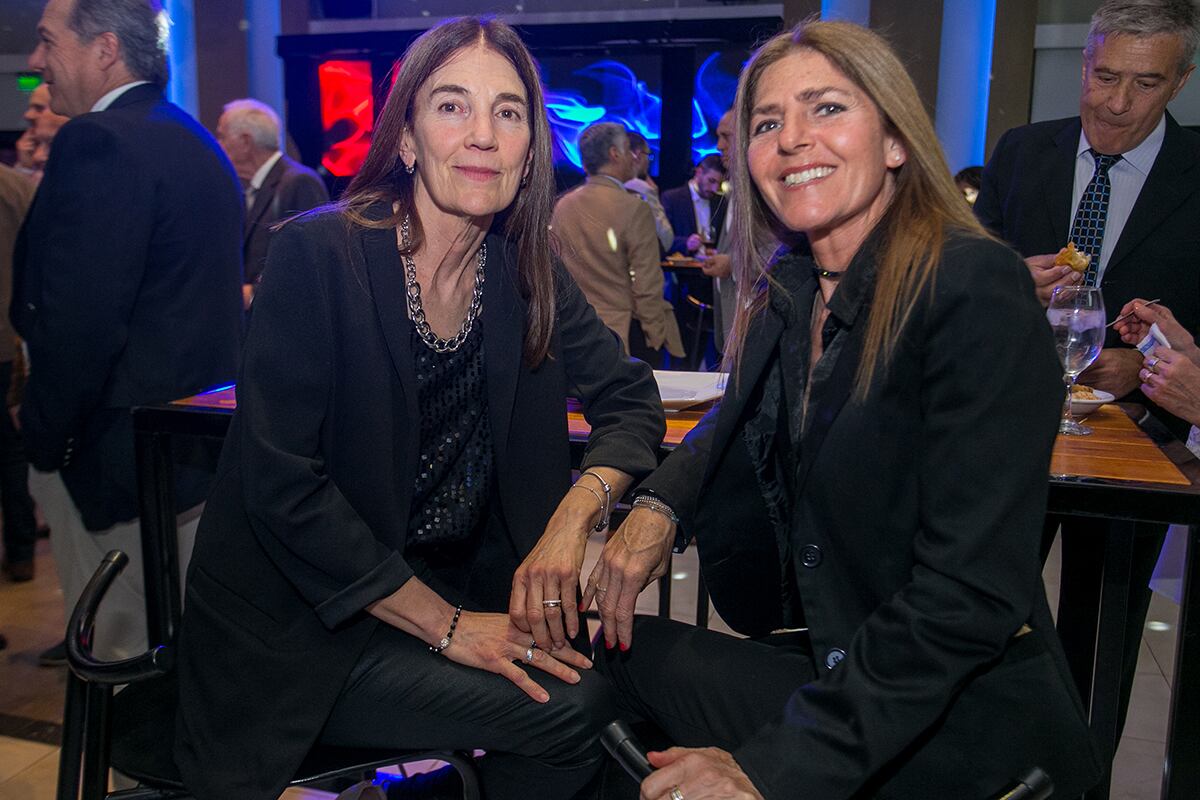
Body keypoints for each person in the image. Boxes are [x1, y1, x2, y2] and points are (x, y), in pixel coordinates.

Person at [588, 20, 1101, 799]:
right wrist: (657, 506)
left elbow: (968, 596)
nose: (793, 139)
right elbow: (738, 419)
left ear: (895, 141)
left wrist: (769, 769)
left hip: (959, 722)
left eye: (826, 109)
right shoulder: (794, 294)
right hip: (840, 663)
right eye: (767, 123)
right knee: (606, 657)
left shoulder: (970, 289)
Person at [175, 17, 665, 800]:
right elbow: (284, 486)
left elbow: (632, 401)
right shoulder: (319, 255)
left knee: (632, 689)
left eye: (508, 113)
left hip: (451, 592)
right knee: (575, 710)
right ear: (405, 140)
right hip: (310, 628)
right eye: (451, 106)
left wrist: (576, 516)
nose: (481, 135)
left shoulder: (526, 268)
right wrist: (448, 627)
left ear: (531, 148)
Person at [974, 0, 1200, 740]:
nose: (1115, 102)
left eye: (1143, 84)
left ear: (1180, 81)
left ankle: (1080, 772)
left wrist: (1153, 362)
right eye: (1104, 76)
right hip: (1014, 429)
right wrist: (1010, 279)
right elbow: (969, 274)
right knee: (987, 613)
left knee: (1097, 643)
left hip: (1140, 445)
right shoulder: (1021, 151)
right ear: (1085, 63)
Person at [14, 0, 243, 663]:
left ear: (105, 48)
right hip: (189, 453)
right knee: (184, 661)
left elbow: (79, 323)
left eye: (46, 41)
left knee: (117, 664)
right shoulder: (192, 137)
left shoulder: (99, 140)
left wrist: (45, 440)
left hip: (113, 458)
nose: (35, 63)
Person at [552, 122, 684, 363]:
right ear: (615, 153)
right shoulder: (633, 208)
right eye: (627, 150)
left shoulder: (563, 206)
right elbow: (647, 283)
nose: (632, 158)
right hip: (622, 335)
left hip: (572, 333)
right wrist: (655, 335)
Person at [216, 97, 329, 307]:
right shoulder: (256, 187)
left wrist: (253, 293)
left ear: (246, 142)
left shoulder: (299, 182)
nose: (217, 145)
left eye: (222, 137)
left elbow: (312, 258)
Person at [0, 163, 37, 584]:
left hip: (12, 339)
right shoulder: (18, 186)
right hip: (13, 339)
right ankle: (22, 551)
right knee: (13, 454)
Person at [661, 153, 726, 258]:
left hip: (713, 271)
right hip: (681, 271)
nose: (715, 189)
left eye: (719, 184)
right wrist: (686, 243)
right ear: (699, 172)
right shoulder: (672, 198)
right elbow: (660, 238)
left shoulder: (721, 203)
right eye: (711, 181)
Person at [623, 130, 674, 253]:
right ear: (638, 155)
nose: (649, 162)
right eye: (648, 156)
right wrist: (653, 193)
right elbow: (666, 238)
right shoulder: (641, 188)